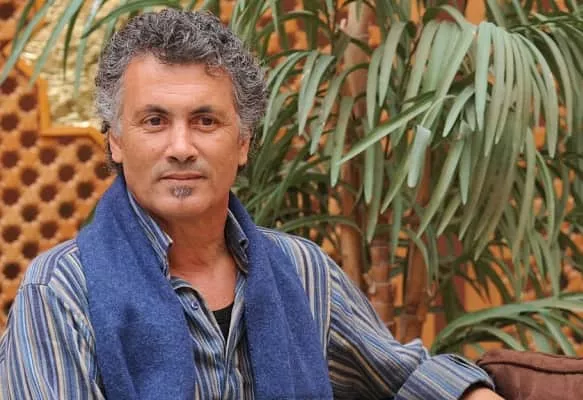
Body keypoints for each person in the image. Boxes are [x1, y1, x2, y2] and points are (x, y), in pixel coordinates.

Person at [0, 9, 502, 400]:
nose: (181, 147)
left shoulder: (302, 272)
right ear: (115, 141)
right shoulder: (62, 291)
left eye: (205, 121)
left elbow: (404, 376)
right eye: (155, 121)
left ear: (243, 143)